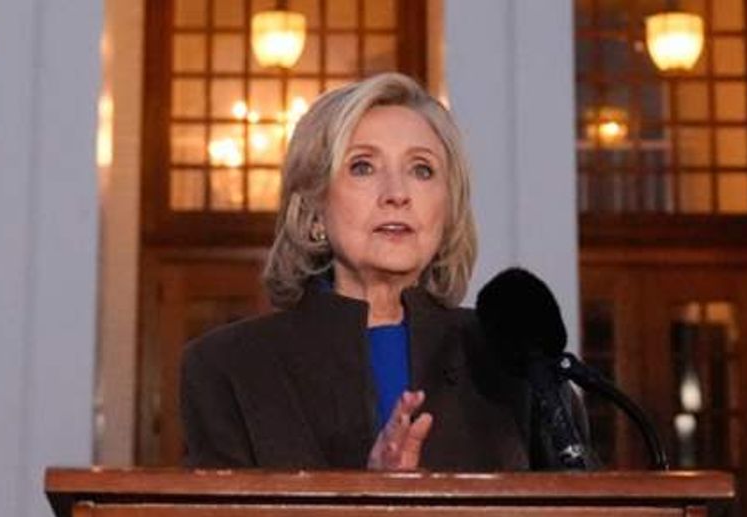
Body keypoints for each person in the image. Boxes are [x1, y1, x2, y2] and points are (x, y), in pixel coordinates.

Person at [181, 72, 530, 471]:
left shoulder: (514, 357)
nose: (397, 194)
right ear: (313, 208)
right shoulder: (229, 366)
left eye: (422, 169)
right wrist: (367, 492)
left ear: (448, 211)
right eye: (363, 167)